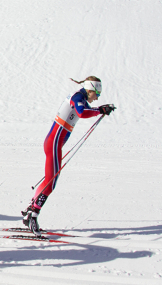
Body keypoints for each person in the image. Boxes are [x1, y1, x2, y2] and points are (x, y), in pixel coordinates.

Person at [22, 77, 115, 234]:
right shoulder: (78, 97)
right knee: (51, 183)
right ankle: (33, 215)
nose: (97, 97)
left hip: (54, 144)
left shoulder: (82, 98)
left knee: (48, 179)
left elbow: (86, 110)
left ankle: (31, 210)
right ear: (90, 90)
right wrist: (100, 110)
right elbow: (82, 113)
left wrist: (101, 109)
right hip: (53, 144)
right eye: (97, 94)